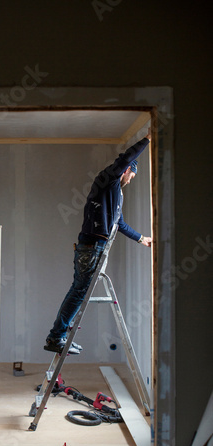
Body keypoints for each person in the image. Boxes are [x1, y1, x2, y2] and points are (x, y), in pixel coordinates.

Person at [44, 129, 152, 355]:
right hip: (92, 247)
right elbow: (125, 159)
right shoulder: (108, 180)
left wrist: (141, 239)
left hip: (95, 247)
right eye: (132, 174)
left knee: (79, 291)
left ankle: (60, 335)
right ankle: (56, 336)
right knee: (79, 291)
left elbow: (118, 223)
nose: (131, 180)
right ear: (126, 171)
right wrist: (148, 139)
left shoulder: (115, 195)